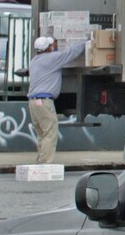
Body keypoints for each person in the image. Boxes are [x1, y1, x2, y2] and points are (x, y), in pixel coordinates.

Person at [27, 35, 89, 165]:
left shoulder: (34, 61)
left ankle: (40, 160)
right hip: (44, 101)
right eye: (51, 46)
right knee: (50, 132)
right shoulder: (52, 59)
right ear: (48, 48)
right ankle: (45, 163)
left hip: (33, 102)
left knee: (42, 134)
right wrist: (86, 41)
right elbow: (71, 52)